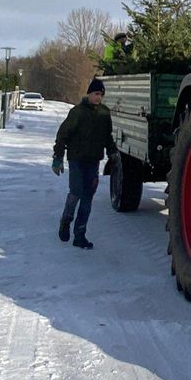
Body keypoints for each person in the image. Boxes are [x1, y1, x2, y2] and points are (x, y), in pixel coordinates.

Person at [52, 77, 118, 250]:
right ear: (89, 93)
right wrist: (57, 158)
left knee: (88, 198)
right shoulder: (77, 112)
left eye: (101, 95)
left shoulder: (104, 113)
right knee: (76, 193)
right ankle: (66, 221)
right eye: (96, 94)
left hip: (93, 161)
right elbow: (62, 135)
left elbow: (107, 136)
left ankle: (80, 235)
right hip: (77, 160)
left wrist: (112, 152)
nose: (98, 97)